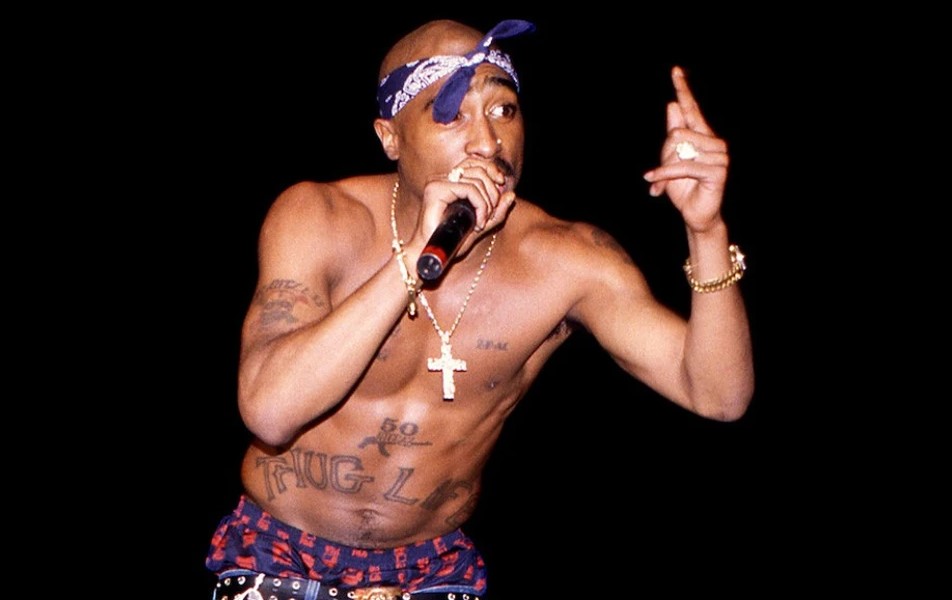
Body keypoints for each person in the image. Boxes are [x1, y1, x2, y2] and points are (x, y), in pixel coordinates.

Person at [205, 17, 753, 600]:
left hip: (432, 570)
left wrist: (706, 230)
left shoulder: (569, 260)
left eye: (503, 110)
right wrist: (414, 258)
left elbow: (718, 395)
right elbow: (270, 411)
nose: (488, 142)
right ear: (391, 137)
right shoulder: (319, 216)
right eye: (451, 115)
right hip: (278, 553)